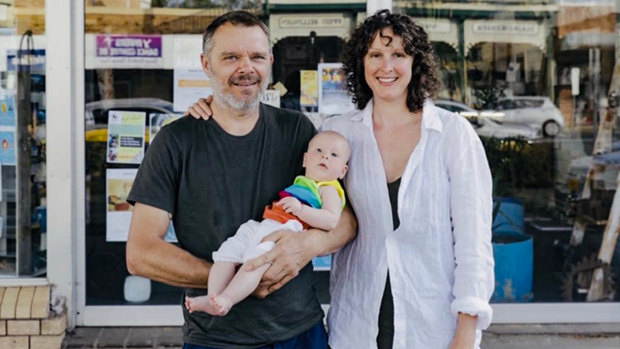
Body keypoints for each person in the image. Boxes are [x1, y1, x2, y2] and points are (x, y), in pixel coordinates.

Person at [188, 8, 494, 349]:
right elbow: (252, 132)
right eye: (375, 54)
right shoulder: (338, 134)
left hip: (432, 324)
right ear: (360, 64)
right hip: (357, 324)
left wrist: (466, 332)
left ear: (416, 62)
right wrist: (212, 106)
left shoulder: (452, 135)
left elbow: (473, 242)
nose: (386, 66)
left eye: (398, 54)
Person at [126, 10, 356, 349]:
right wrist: (240, 274)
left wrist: (309, 247)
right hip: (216, 338)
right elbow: (141, 253)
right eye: (231, 57)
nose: (246, 67)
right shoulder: (176, 141)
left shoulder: (298, 132)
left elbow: (348, 220)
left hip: (300, 331)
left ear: (270, 62)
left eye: (257, 56)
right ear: (206, 64)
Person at [185, 131, 350, 316]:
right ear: (305, 160)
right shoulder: (305, 181)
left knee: (255, 263)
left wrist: (301, 210)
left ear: (343, 171)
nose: (325, 155)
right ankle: (213, 296)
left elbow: (331, 219)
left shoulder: (328, 188)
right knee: (226, 253)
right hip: (265, 224)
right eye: (318, 150)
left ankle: (228, 299)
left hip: (286, 230)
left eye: (334, 155)